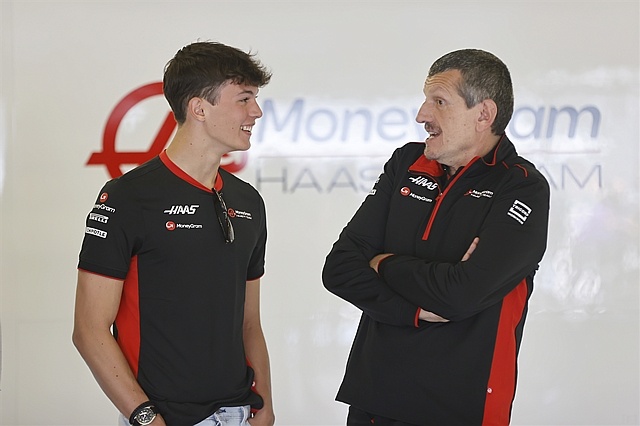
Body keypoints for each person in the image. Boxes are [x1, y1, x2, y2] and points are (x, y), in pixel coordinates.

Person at [322, 49, 550, 425]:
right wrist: (412, 310)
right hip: (374, 400)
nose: (422, 115)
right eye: (426, 99)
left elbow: (461, 295)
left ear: (484, 114)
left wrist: (383, 262)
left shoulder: (522, 187)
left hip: (459, 407)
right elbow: (339, 268)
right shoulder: (407, 162)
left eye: (439, 102)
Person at [73, 41, 275, 426]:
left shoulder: (248, 200)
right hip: (162, 415)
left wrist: (264, 402)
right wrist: (145, 417)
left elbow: (249, 321)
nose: (256, 111)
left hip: (238, 412)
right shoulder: (128, 197)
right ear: (199, 108)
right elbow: (89, 329)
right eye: (244, 99)